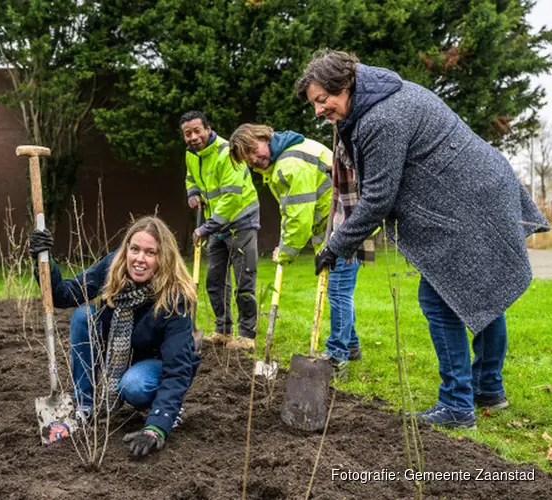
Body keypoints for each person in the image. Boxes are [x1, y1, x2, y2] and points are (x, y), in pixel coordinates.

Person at [296, 49, 550, 428]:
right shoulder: (388, 94)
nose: (318, 110)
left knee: (437, 300)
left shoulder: (381, 118)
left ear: (345, 85)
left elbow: (379, 199)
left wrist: (336, 244)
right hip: (479, 188)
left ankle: (456, 405)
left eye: (322, 100)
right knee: (480, 293)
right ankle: (488, 389)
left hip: (468, 199)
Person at [29, 216, 200, 457]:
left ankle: (168, 410)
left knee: (134, 384)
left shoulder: (175, 298)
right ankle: (85, 406)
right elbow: (64, 295)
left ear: (163, 258)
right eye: (135, 249)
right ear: (126, 249)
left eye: (150, 253)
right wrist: (43, 259)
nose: (140, 259)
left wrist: (156, 427)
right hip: (119, 357)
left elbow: (178, 368)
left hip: (155, 365)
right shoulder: (114, 267)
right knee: (83, 316)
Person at [228, 123, 365, 378]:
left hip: (345, 226)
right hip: (338, 225)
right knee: (340, 289)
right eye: (247, 159)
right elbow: (291, 211)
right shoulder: (285, 156)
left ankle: (337, 357)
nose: (253, 160)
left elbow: (299, 217)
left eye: (252, 150)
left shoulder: (290, 163)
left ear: (263, 136)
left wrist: (287, 252)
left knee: (337, 290)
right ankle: (352, 345)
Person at [180, 110, 260, 351]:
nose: (193, 137)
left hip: (241, 220)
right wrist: (193, 193)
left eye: (197, 131)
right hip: (216, 223)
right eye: (187, 134)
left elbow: (232, 198)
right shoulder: (191, 155)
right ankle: (223, 330)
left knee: (244, 279)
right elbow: (191, 178)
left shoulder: (227, 152)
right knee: (214, 280)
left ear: (208, 128)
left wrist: (206, 227)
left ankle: (247, 336)